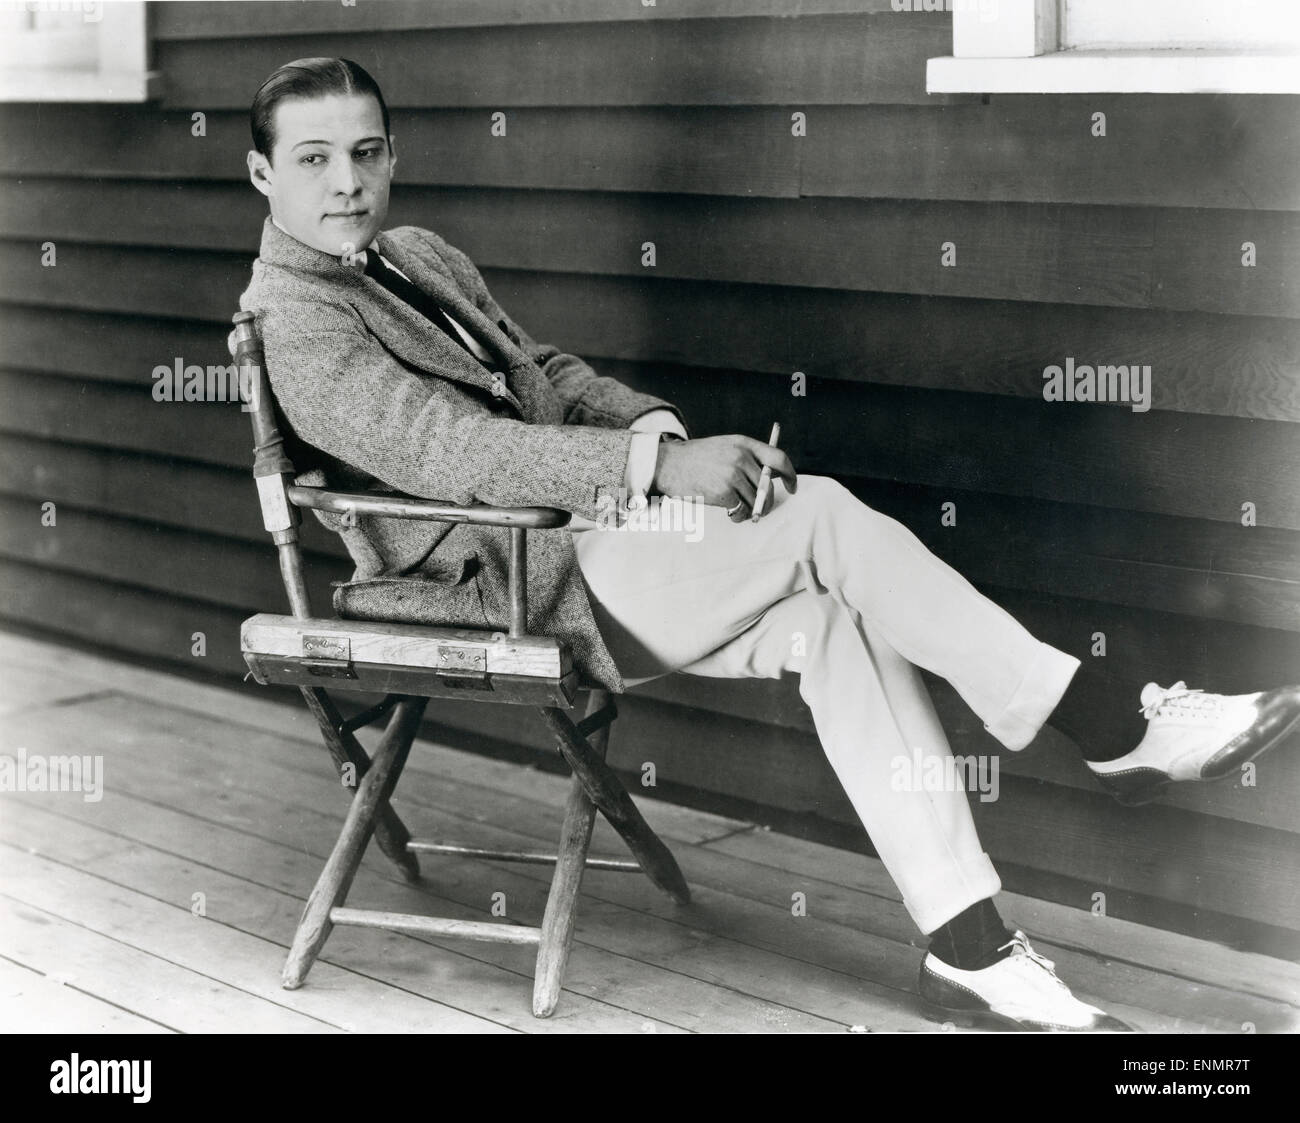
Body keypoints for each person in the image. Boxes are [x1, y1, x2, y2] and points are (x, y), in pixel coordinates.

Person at [238, 57, 1300, 1032]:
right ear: (261, 174)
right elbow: (448, 449)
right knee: (826, 517)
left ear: (393, 153)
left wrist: (662, 436)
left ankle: (969, 944)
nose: (347, 181)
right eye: (315, 159)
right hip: (503, 578)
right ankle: (1108, 722)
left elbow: (548, 376)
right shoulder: (295, 316)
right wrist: (659, 475)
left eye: (366, 151)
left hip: (584, 534)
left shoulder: (416, 253)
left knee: (832, 622)